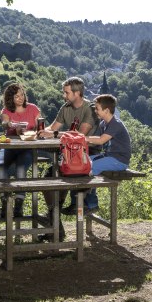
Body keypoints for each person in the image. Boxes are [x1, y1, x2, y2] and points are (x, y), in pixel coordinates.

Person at [37, 76, 97, 240]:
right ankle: (55, 223)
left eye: (67, 92)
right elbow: (53, 127)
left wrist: (54, 134)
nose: (64, 96)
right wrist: (42, 132)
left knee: (54, 179)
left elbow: (80, 135)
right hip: (68, 158)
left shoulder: (89, 109)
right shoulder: (66, 107)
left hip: (86, 157)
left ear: (77, 93)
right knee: (49, 179)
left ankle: (55, 227)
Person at [0, 83, 40, 218]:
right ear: (10, 98)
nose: (20, 98)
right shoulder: (6, 111)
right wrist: (10, 125)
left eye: (22, 95)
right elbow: (4, 122)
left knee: (21, 168)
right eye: (16, 96)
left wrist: (32, 132)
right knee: (0, 166)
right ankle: (5, 202)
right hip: (9, 147)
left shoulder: (33, 109)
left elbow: (40, 128)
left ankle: (19, 205)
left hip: (26, 147)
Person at [83, 94, 131, 212]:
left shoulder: (116, 124)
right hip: (109, 156)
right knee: (84, 161)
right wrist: (84, 139)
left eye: (97, 109)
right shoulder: (104, 123)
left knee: (88, 167)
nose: (95, 111)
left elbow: (101, 140)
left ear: (107, 110)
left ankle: (90, 203)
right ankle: (85, 200)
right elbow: (99, 137)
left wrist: (84, 139)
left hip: (119, 161)